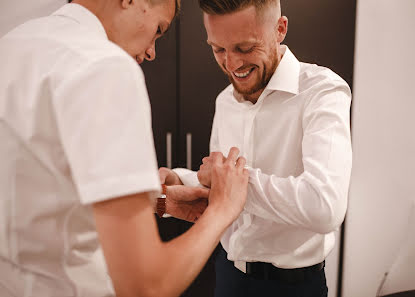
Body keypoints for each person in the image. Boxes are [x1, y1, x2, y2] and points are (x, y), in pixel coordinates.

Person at [0, 0, 249, 296]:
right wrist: (222, 210)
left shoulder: (13, 43)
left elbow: (41, 191)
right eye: (158, 30)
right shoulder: (104, 66)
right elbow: (145, 286)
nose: (152, 52)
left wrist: (159, 201)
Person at [158, 0, 353, 296]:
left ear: (280, 29)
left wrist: (235, 186)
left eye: (245, 48)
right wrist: (182, 180)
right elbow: (220, 188)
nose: (232, 64)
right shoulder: (225, 100)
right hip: (227, 275)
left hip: (293, 287)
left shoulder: (322, 92)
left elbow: (325, 207)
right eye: (218, 49)